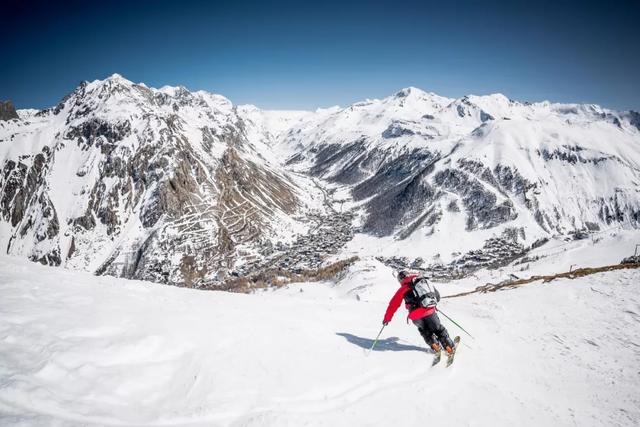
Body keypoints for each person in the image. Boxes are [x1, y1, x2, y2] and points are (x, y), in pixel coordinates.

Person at [382, 270, 456, 354]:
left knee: (424, 330)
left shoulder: (402, 289)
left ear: (400, 280)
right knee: (438, 329)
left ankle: (435, 345)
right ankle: (449, 347)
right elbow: (437, 297)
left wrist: (387, 319)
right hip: (429, 311)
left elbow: (393, 305)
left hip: (415, 316)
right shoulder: (423, 282)